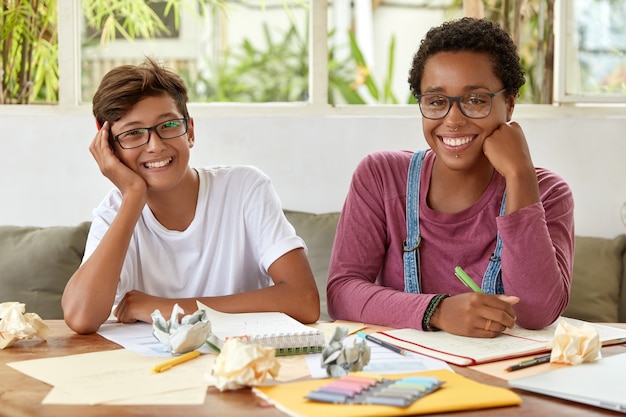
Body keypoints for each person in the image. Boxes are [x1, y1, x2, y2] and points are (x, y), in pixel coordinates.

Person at [327, 17, 574, 338]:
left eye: (475, 100)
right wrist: (437, 311)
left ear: (509, 104)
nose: (453, 119)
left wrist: (520, 174)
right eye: (436, 101)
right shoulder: (381, 176)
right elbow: (341, 293)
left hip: (500, 373)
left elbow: (538, 311)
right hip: (405, 371)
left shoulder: (548, 192)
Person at [62, 58, 320, 334]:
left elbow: (304, 301)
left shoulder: (245, 188)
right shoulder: (114, 212)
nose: (155, 145)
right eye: (133, 133)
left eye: (169, 125)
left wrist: (170, 308)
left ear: (191, 131)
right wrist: (133, 196)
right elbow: (80, 317)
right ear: (110, 148)